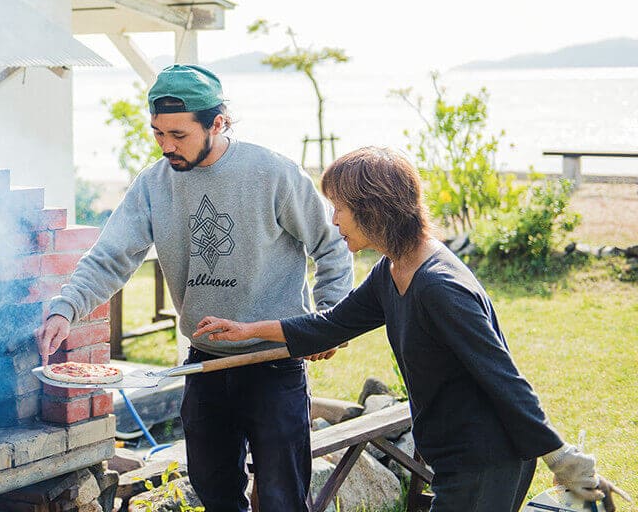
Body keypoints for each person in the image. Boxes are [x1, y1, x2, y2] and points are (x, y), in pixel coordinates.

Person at [194, 146, 629, 512]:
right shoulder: (393, 269)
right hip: (453, 452)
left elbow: (503, 377)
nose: (334, 221)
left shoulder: (439, 287)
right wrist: (248, 329)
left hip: (486, 457)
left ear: (372, 210)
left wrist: (561, 457)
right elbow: (333, 324)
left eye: (340, 209)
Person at [36, 64, 354, 512]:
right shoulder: (152, 186)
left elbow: (332, 246)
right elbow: (110, 257)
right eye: (157, 133)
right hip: (204, 368)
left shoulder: (273, 174)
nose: (166, 145)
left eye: (178, 135)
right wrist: (64, 309)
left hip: (274, 365)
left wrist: (328, 321)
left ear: (217, 123)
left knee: (283, 501)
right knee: (214, 495)